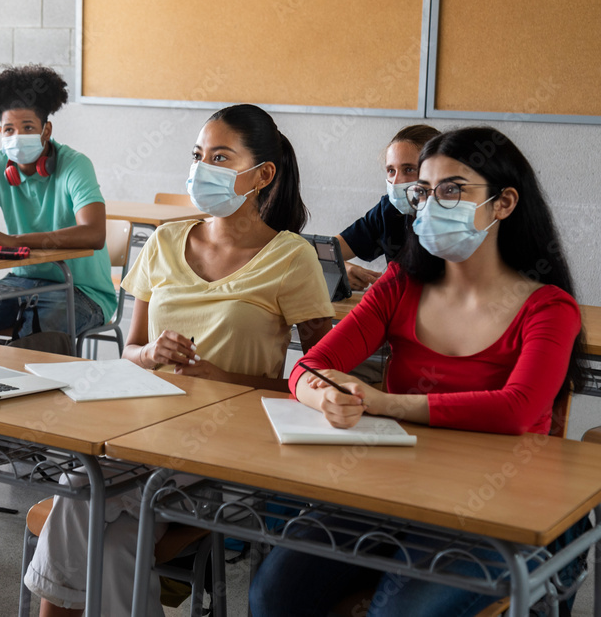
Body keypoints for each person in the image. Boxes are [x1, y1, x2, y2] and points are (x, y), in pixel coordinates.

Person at [249, 126, 587, 617]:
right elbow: (309, 365)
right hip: (392, 487)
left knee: (400, 612)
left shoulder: (548, 308)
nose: (430, 204)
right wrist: (326, 395)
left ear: (504, 203)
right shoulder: (400, 284)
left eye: (452, 189)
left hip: (495, 507)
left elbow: (518, 410)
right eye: (422, 192)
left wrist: (384, 403)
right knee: (273, 596)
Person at [24, 104, 336, 617]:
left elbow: (315, 381)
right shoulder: (165, 240)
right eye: (197, 155)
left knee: (82, 483)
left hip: (231, 447)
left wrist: (225, 379)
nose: (201, 168)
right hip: (149, 429)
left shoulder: (291, 256)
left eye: (219, 156)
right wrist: (147, 354)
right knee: (117, 539)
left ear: (262, 175)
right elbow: (128, 349)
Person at [0, 65, 115, 341]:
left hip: (79, 290)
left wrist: (14, 241)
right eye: (8, 130)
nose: (17, 137)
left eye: (27, 127)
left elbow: (94, 234)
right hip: (18, 284)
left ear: (46, 130)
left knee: (33, 339)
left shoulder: (75, 165)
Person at [336, 125, 440, 290]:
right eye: (391, 171)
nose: (396, 181)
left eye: (409, 169)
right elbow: (325, 251)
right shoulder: (388, 210)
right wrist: (341, 269)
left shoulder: (452, 220)